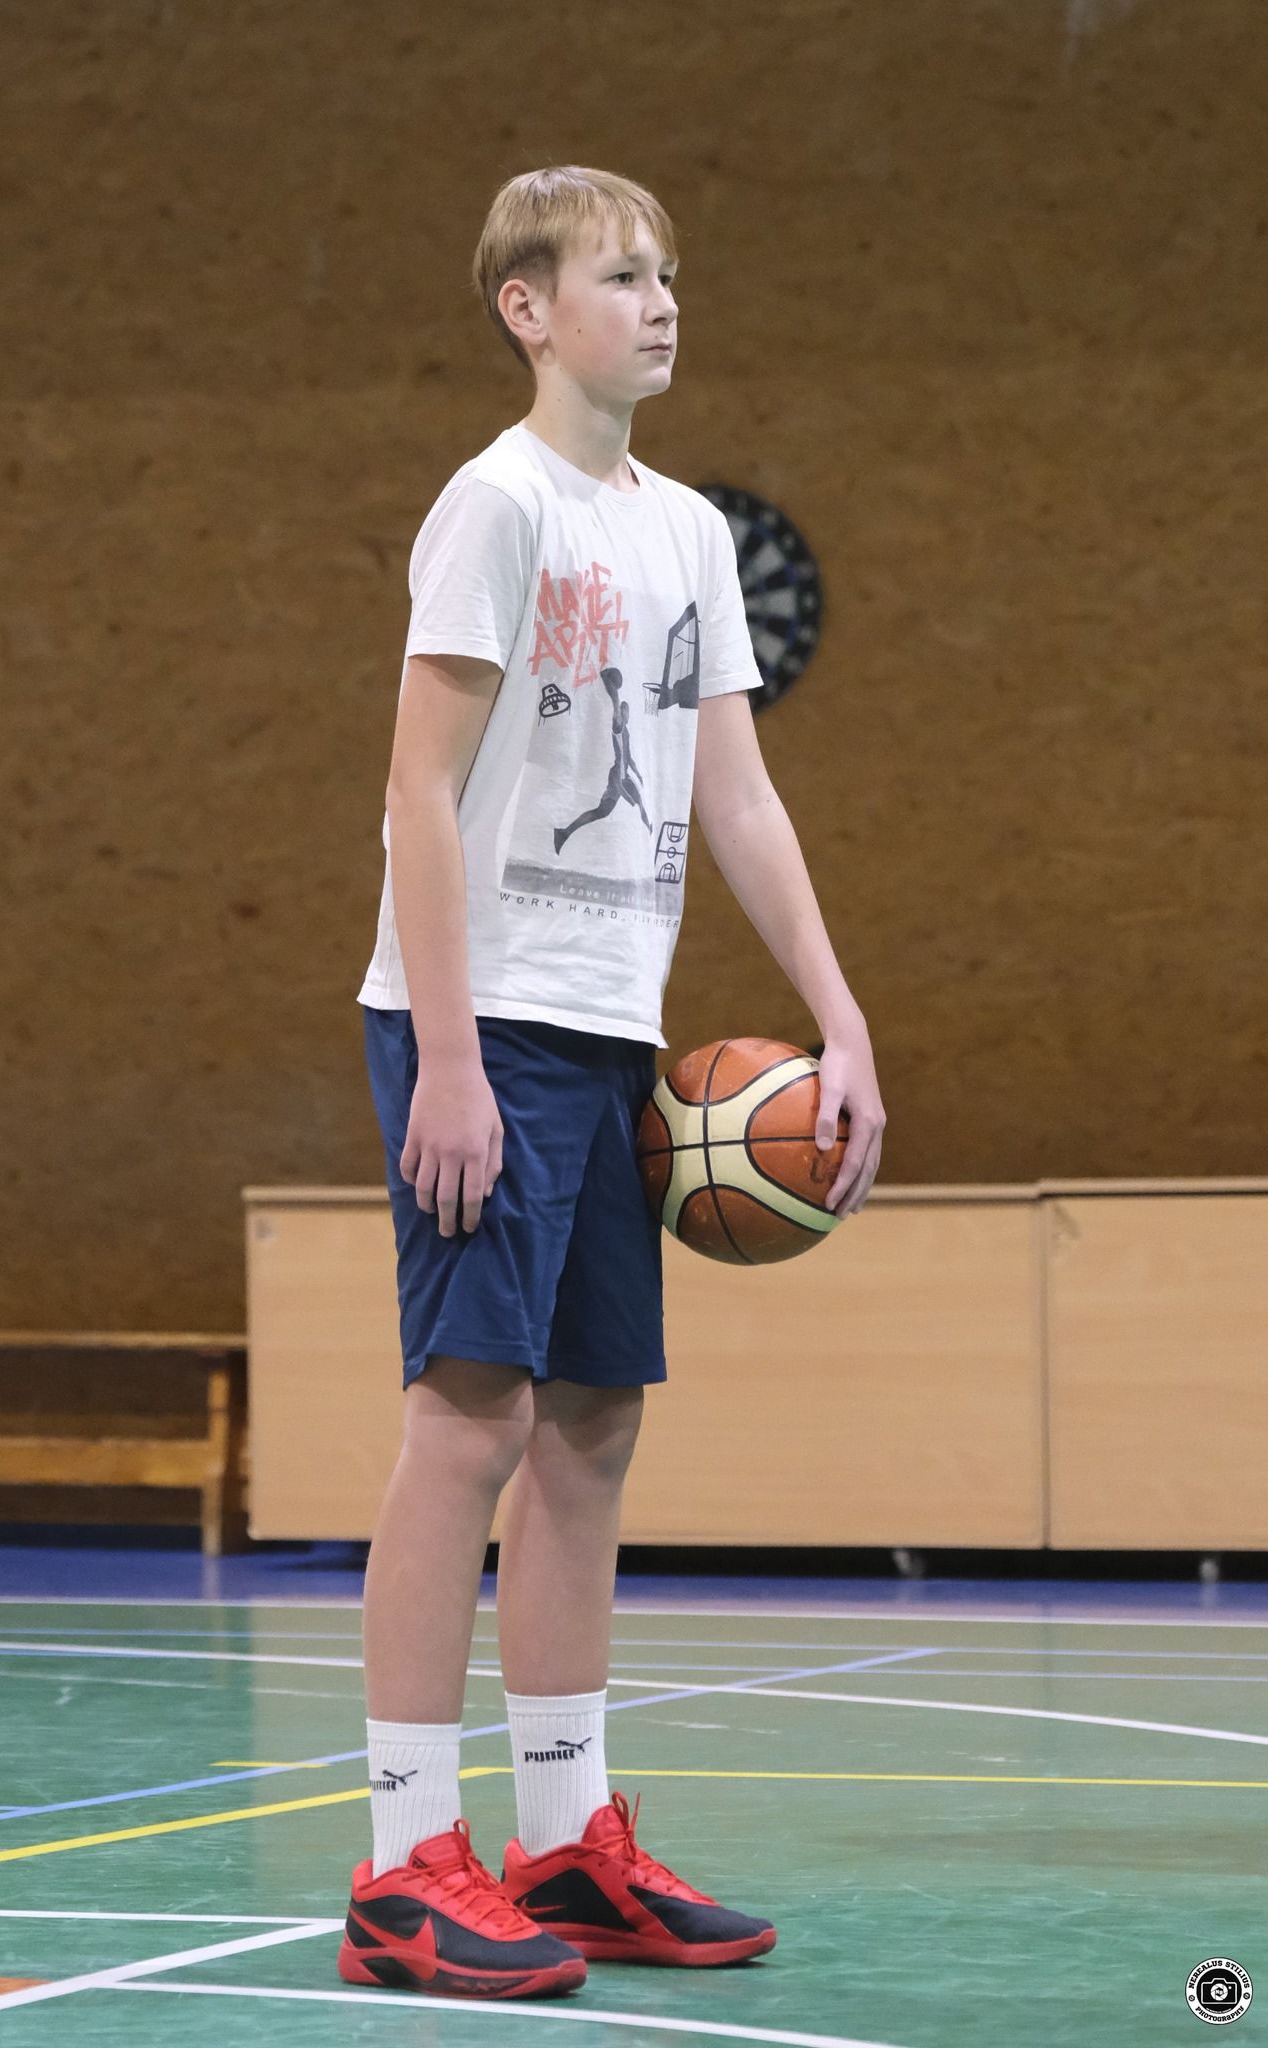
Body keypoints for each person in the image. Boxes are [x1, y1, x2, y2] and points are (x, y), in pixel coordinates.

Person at [342, 164, 886, 2003]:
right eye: (622, 275)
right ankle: (403, 1861)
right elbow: (417, 791)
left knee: (588, 1428)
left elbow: (738, 793)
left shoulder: (687, 535)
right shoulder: (493, 507)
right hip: (479, 1024)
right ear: (526, 307)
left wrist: (837, 1016)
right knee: (468, 1423)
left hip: (607, 1032)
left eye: (669, 276)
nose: (660, 303)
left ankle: (568, 1843)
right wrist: (444, 1051)